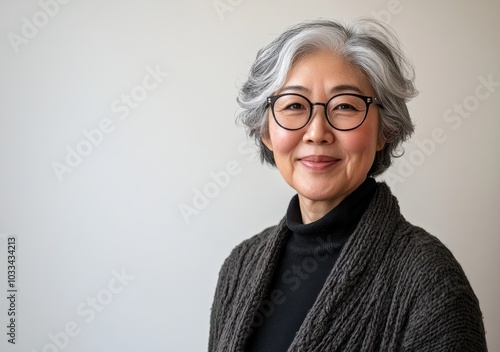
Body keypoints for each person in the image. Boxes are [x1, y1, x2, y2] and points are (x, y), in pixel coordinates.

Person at [208, 18, 487, 351]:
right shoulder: (239, 268)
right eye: (295, 105)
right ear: (266, 131)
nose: (317, 132)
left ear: (386, 129)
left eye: (344, 107)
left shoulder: (430, 280)